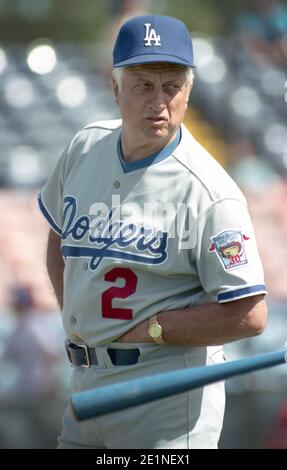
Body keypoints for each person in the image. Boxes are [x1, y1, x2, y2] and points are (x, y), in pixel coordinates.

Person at [38, 14, 267, 449]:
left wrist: (156, 328)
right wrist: (78, 319)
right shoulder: (84, 147)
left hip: (166, 396)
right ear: (115, 88)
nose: (158, 101)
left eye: (172, 85)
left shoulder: (210, 192)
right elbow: (57, 236)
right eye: (143, 84)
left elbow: (250, 314)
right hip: (87, 384)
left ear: (189, 92)